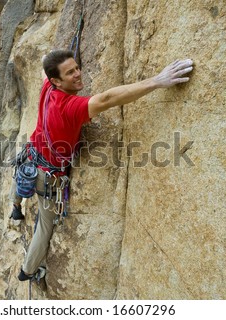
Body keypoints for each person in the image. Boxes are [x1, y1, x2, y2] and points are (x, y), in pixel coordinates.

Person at [10, 49, 193, 288]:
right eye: (70, 72)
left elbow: (46, 62)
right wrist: (157, 81)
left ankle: (16, 207)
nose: (78, 74)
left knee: (20, 173)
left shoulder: (48, 88)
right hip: (48, 176)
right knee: (44, 227)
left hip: (31, 156)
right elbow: (106, 99)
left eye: (77, 67)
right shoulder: (70, 107)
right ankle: (28, 270)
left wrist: (50, 57)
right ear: (56, 80)